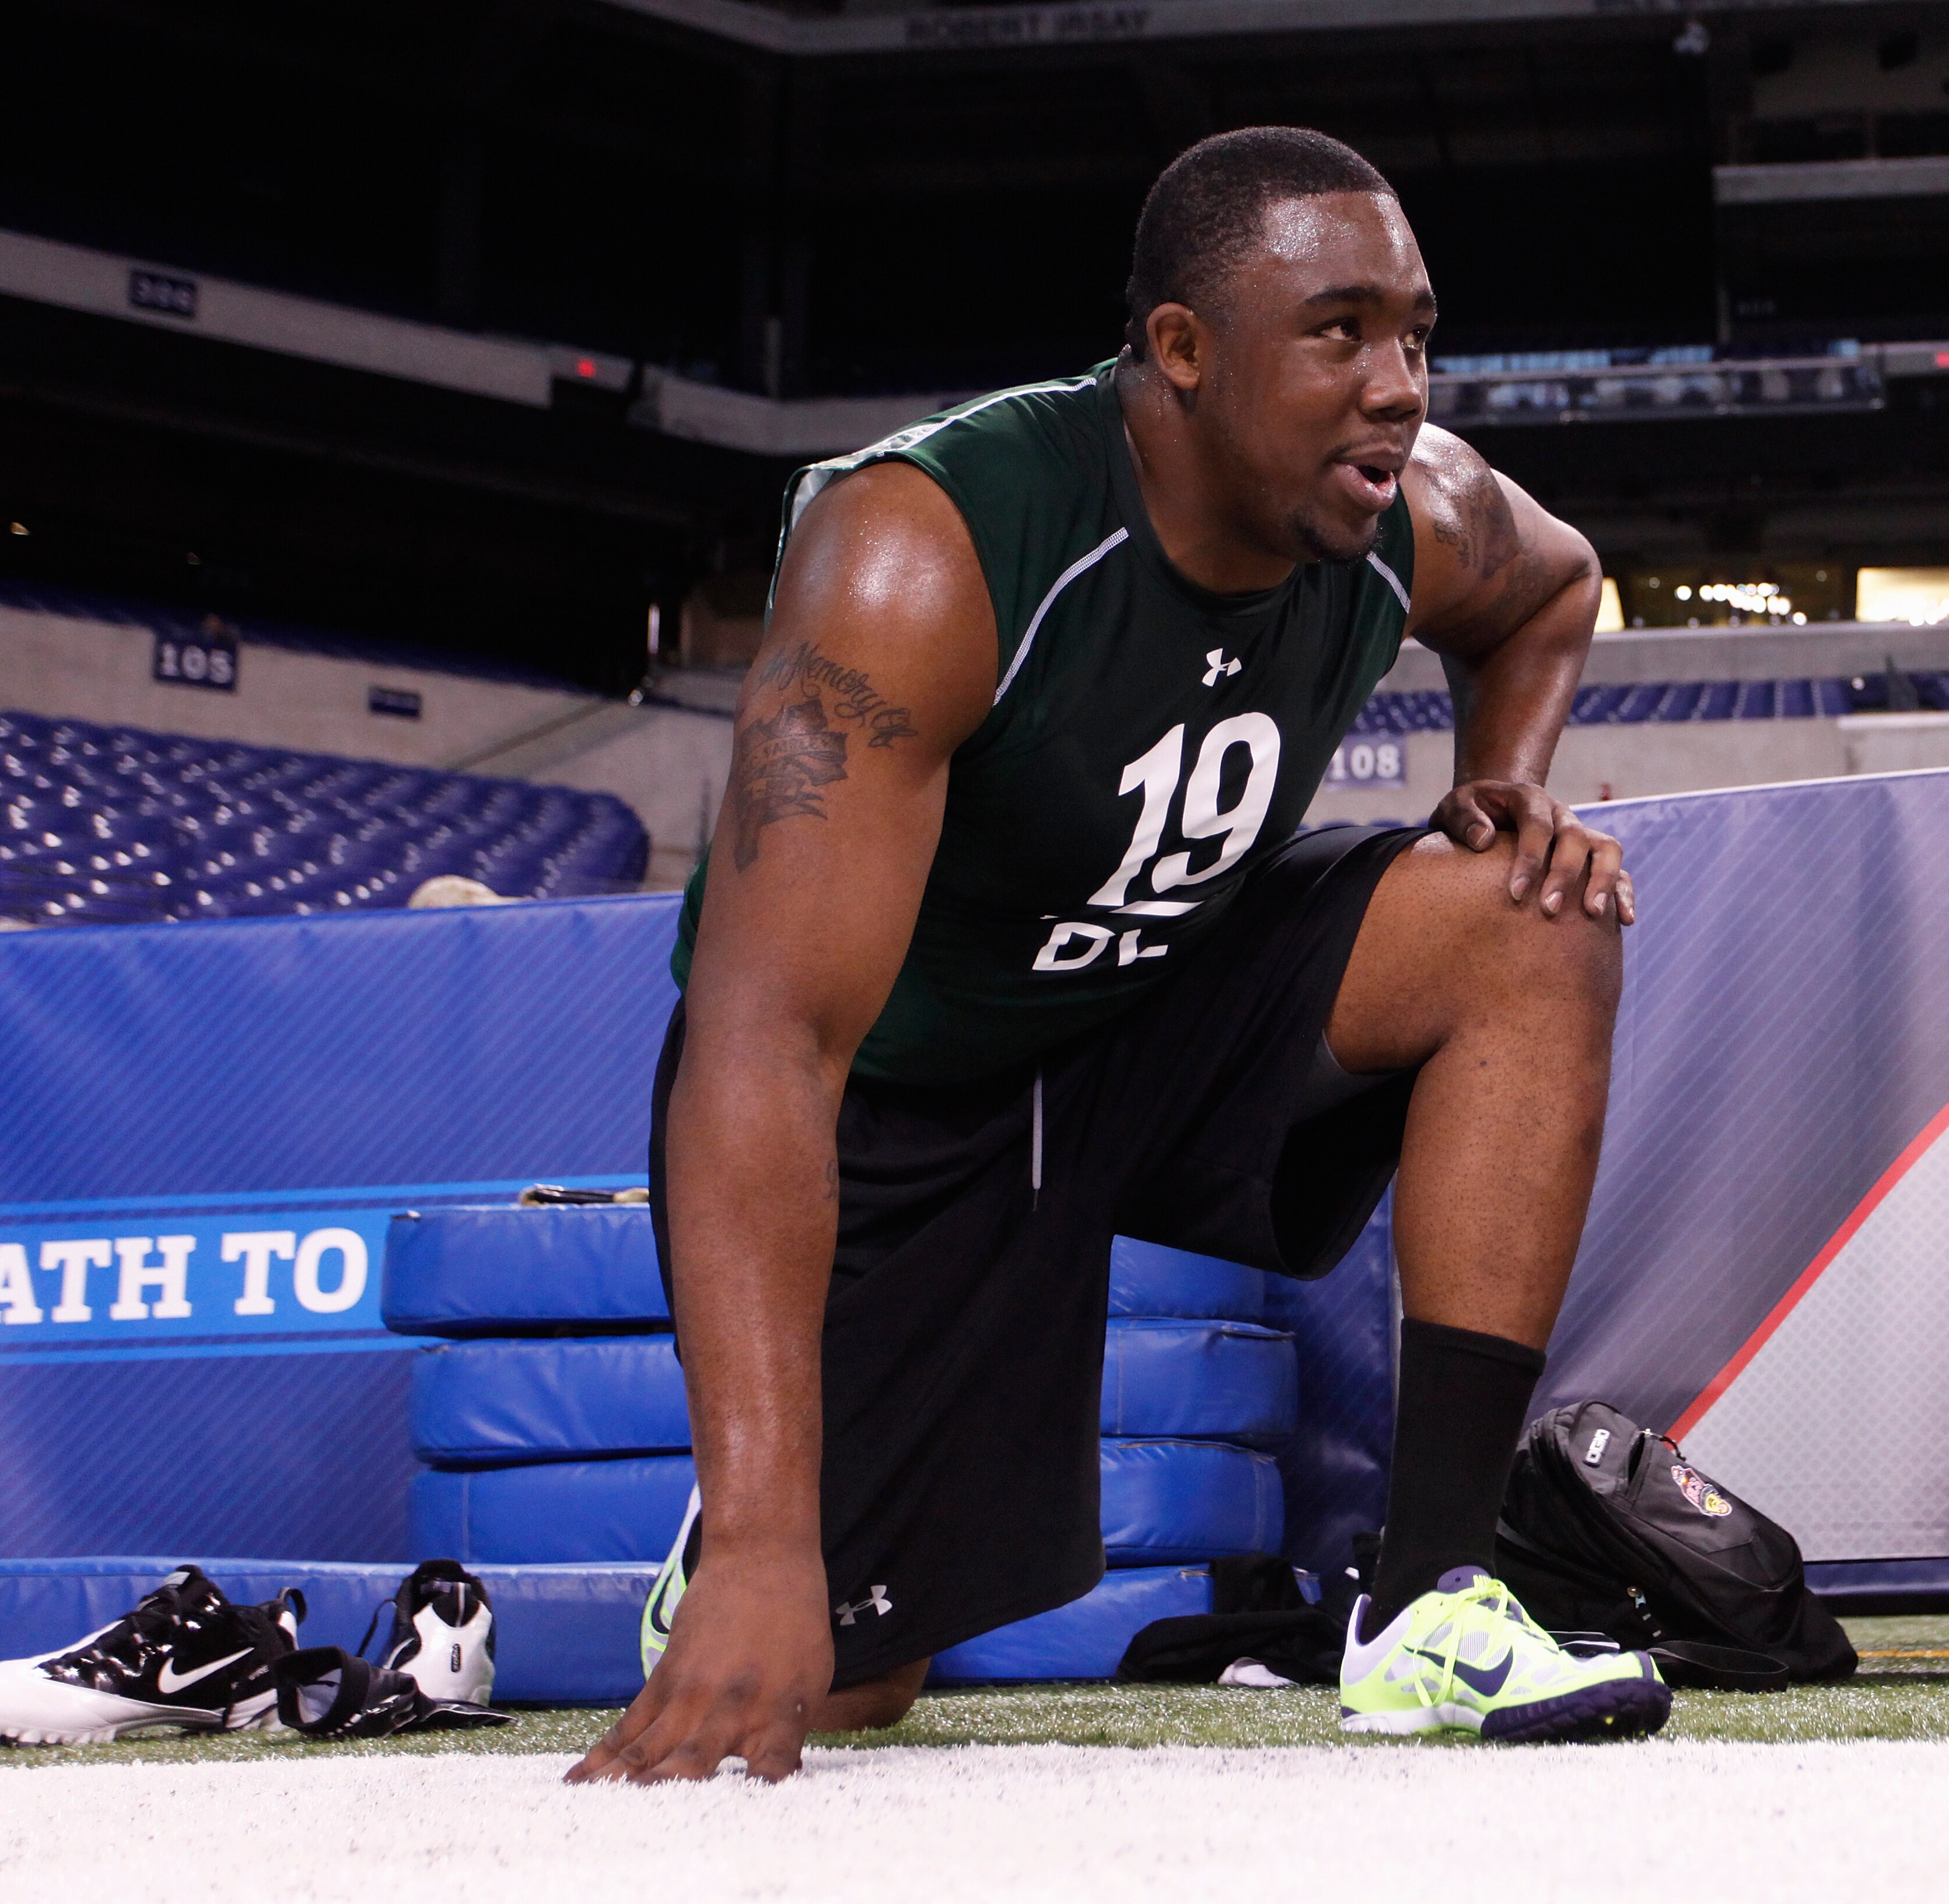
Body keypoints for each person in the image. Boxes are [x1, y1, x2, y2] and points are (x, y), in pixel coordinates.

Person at [572, 126, 1660, 1784]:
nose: (1399, 386)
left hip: (1150, 1013)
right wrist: (774, 1554)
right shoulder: (923, 548)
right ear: (1180, 350)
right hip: (912, 1102)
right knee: (843, 1685)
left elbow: (1558, 587)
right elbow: (764, 1040)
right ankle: (742, 1521)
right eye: (1341, 332)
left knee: (1536, 912)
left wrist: (1500, 788)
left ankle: (1428, 1601)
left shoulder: (1397, 513)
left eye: (1418, 337)